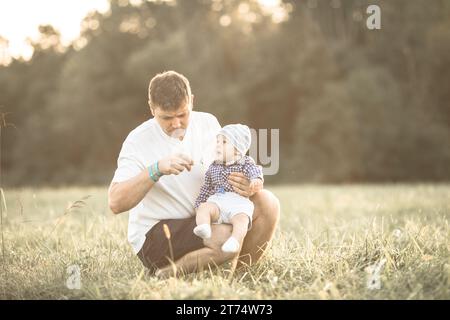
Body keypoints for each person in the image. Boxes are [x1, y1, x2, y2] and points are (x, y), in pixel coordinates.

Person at [108, 70, 280, 277]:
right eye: (166, 118)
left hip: (205, 216)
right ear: (152, 108)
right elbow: (116, 203)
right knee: (225, 236)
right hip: (155, 234)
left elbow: (232, 164)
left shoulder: (208, 123)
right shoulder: (137, 141)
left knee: (267, 202)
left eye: (182, 114)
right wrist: (157, 169)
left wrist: (250, 184)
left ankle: (239, 278)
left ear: (191, 101)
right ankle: (163, 275)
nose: (176, 124)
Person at [193, 124, 264, 254]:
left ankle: (235, 240)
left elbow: (254, 170)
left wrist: (256, 179)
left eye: (224, 142)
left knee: (242, 219)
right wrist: (200, 204)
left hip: (238, 202)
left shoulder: (245, 162)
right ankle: (204, 226)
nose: (218, 145)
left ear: (237, 149)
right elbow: (207, 188)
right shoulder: (213, 167)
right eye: (218, 142)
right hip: (218, 201)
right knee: (204, 207)